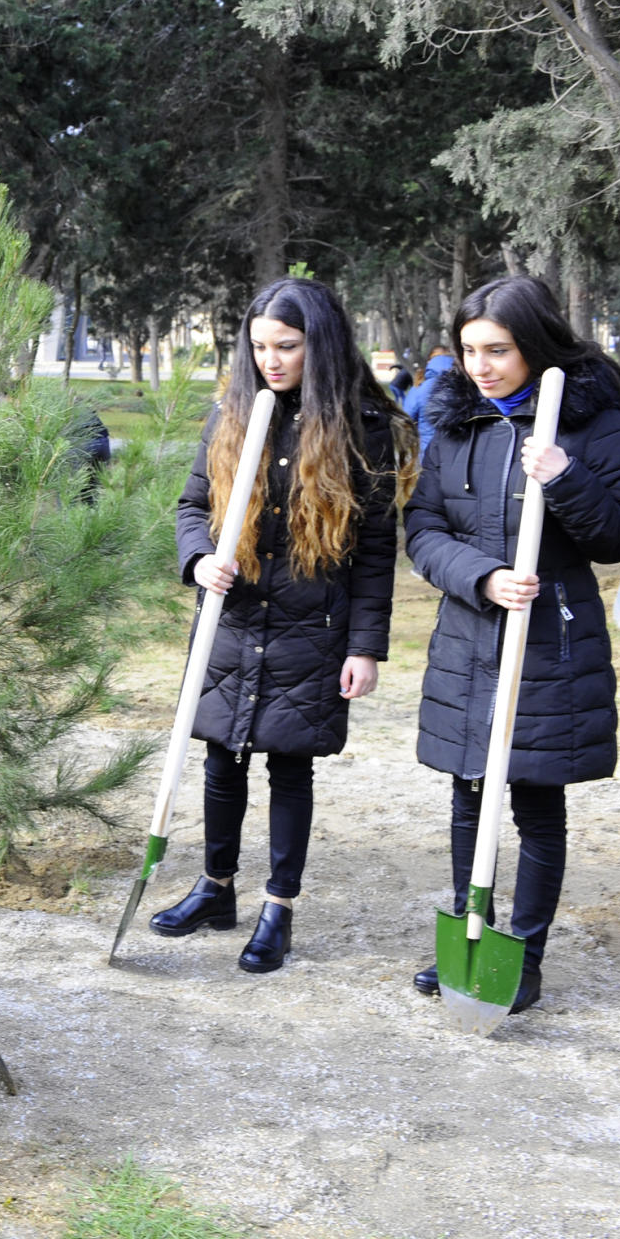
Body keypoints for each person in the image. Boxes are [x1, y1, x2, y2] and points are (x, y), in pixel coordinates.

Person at [150, 278, 414, 972]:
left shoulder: (364, 428)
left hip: (311, 625)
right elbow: (190, 505)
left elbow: (378, 548)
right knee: (221, 757)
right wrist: (199, 558)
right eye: (260, 345)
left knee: (289, 767)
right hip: (233, 619)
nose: (271, 359)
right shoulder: (230, 415)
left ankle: (279, 907)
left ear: (318, 345)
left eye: (287, 346)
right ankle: (215, 887)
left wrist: (365, 646)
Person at [405, 276, 620, 1015]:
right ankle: (469, 928)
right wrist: (482, 577)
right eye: (469, 349)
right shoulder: (456, 423)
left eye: (498, 350)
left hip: (552, 645)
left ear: (534, 343)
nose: (480, 365)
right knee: (468, 792)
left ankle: (526, 955)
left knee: (536, 804)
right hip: (471, 638)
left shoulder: (591, 420)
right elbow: (423, 530)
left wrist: (564, 476)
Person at [402, 347, 454, 458]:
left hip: (429, 451)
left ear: (430, 362)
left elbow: (406, 417)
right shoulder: (466, 385)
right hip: (460, 452)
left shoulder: (420, 388)